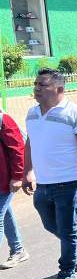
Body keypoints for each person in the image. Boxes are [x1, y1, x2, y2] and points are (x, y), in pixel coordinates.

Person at [23, 68, 77, 279]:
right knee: (51, 225)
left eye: (43, 85)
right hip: (43, 184)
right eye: (36, 84)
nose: (37, 88)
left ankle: (66, 273)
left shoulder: (76, 114)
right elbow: (30, 142)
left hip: (70, 183)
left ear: (59, 89)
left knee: (66, 230)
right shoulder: (31, 113)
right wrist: (27, 171)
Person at [0, 108, 27, 269]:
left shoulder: (3, 119)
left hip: (4, 181)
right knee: (5, 213)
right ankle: (18, 250)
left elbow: (18, 149)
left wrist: (18, 176)